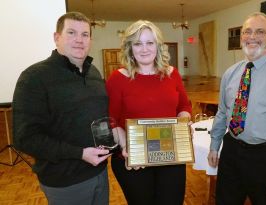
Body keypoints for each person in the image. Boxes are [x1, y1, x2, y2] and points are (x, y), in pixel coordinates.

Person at [12, 12, 111, 205]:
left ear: (90, 39)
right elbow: (25, 138)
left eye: (85, 34)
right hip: (64, 182)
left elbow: (100, 118)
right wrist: (80, 154)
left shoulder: (94, 72)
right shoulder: (34, 77)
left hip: (100, 172)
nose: (79, 40)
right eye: (72, 32)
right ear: (57, 37)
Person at [207, 12, 266, 205]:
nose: (252, 37)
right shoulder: (230, 73)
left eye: (260, 32)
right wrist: (214, 145)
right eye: (247, 32)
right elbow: (223, 112)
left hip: (264, 157)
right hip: (231, 151)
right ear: (241, 36)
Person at [106, 20, 192, 205]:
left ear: (158, 45)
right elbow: (111, 119)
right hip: (134, 159)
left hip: (170, 156)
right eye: (137, 43)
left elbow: (184, 107)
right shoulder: (118, 78)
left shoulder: (172, 73)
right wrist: (125, 146)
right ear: (130, 47)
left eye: (149, 43)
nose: (144, 49)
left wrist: (183, 125)